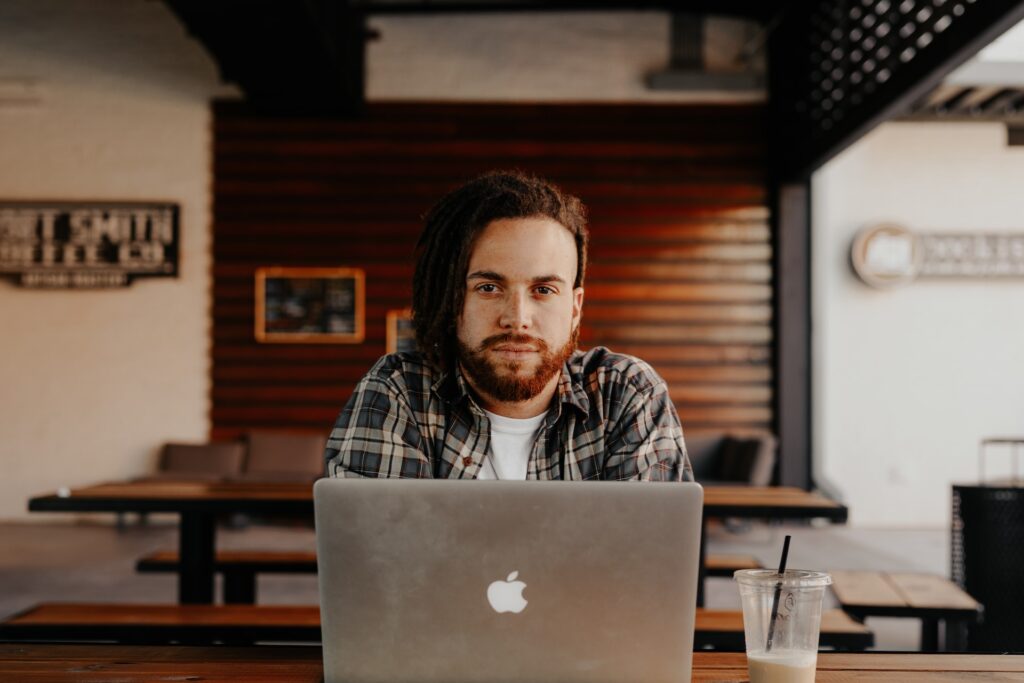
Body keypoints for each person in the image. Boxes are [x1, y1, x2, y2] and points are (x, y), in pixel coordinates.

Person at [325, 171, 692, 481]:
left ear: (575, 307)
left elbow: (650, 561)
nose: (517, 318)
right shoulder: (398, 393)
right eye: (489, 287)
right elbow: (378, 561)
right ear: (452, 300)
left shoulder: (626, 394)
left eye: (544, 289)